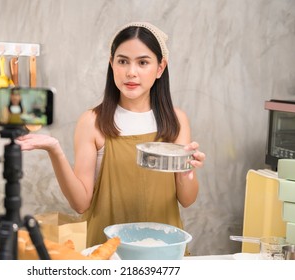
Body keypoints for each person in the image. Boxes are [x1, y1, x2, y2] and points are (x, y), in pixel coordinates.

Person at [16, 22, 206, 249]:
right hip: (105, 251)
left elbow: (187, 199)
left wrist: (187, 172)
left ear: (160, 68)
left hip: (163, 251)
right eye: (122, 61)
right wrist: (54, 149)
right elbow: (80, 203)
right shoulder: (92, 121)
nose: (130, 72)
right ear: (111, 63)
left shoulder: (176, 120)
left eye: (143, 62)